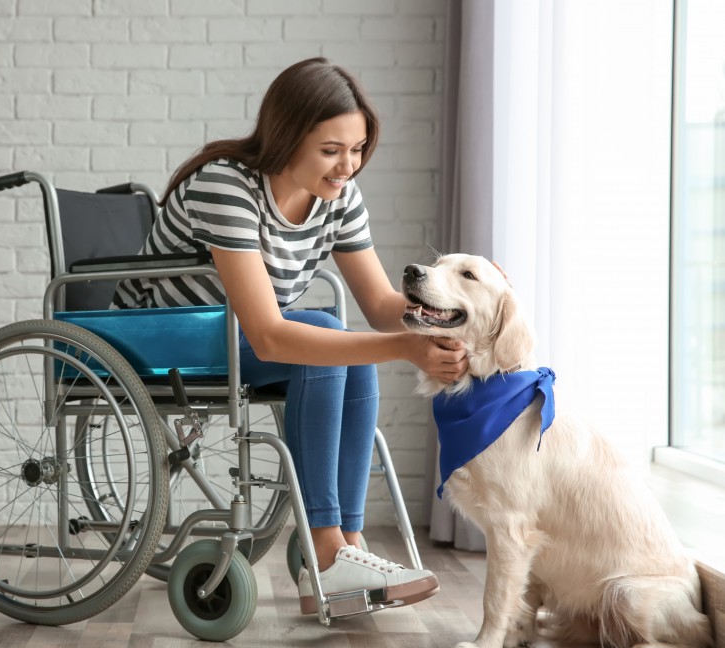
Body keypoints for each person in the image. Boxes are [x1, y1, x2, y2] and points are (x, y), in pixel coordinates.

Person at [113, 57, 468, 611]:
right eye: (331, 150)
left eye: (357, 148)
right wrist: (405, 348)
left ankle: (346, 543)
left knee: (348, 350)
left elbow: (380, 306)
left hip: (237, 338)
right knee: (327, 335)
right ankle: (326, 554)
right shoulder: (226, 185)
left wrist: (451, 318)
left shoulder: (338, 197)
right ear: (285, 137)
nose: (347, 165)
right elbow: (273, 336)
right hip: (167, 339)